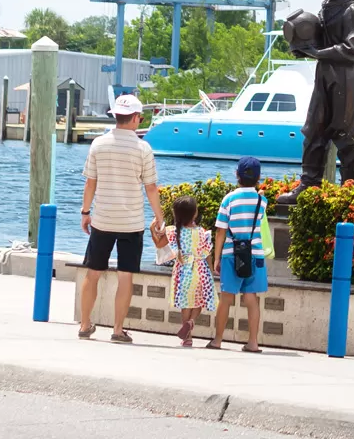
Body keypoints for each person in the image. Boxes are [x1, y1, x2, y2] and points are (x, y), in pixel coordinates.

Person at [77, 93, 167, 343]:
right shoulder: (143, 148)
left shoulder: (98, 144)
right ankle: (117, 330)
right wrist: (159, 217)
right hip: (131, 223)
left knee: (93, 273)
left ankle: (85, 325)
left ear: (115, 116)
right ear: (136, 118)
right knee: (125, 275)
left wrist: (86, 212)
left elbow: (90, 183)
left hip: (102, 220)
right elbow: (151, 188)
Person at [295, 0, 354, 186]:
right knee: (314, 129)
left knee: (346, 132)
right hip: (325, 74)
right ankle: (309, 184)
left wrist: (318, 53)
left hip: (347, 78)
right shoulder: (325, 9)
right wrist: (304, 47)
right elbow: (320, 42)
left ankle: (349, 188)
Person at [209, 156, 267, 352]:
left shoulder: (229, 199)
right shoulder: (262, 200)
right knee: (251, 298)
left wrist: (216, 258)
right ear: (258, 178)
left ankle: (217, 340)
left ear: (237, 175)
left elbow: (220, 231)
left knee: (226, 297)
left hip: (231, 254)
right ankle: (253, 342)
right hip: (255, 253)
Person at [155, 192, 216, 346]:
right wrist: (211, 270)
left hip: (183, 271)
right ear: (195, 213)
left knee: (185, 303)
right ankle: (191, 321)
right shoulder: (202, 232)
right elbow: (207, 253)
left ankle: (188, 337)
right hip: (201, 270)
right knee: (198, 302)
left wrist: (152, 229)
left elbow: (159, 244)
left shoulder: (174, 231)